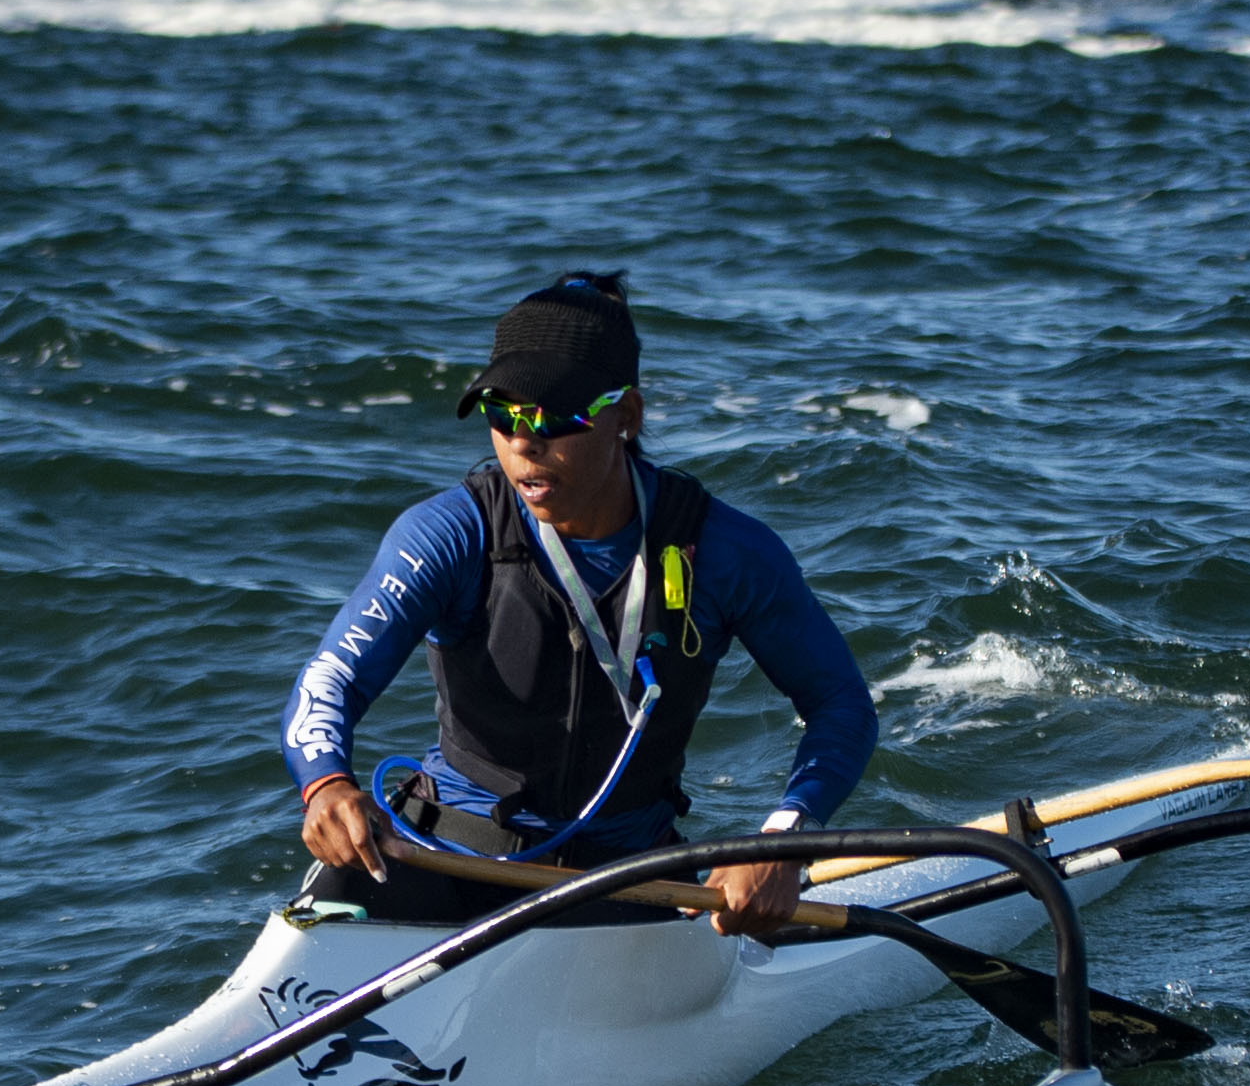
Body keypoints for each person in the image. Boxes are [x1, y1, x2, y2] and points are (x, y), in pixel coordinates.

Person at [286, 272, 877, 935]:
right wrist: (328, 783)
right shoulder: (449, 535)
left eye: (553, 417)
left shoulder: (723, 551)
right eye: (502, 415)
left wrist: (784, 843)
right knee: (331, 895)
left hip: (625, 880)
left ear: (626, 417)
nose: (522, 443)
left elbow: (840, 705)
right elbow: (330, 680)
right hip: (444, 858)